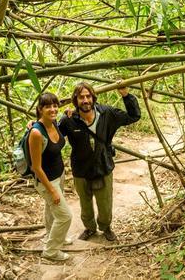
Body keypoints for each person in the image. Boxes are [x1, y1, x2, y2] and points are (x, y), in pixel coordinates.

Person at [58, 82, 141, 241]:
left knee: (105, 203)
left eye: (88, 96)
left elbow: (134, 116)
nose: (85, 100)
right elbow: (52, 134)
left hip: (103, 165)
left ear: (93, 97)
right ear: (75, 100)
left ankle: (106, 227)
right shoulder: (69, 119)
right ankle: (89, 228)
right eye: (81, 97)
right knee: (85, 203)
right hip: (80, 169)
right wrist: (34, 125)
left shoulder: (107, 113)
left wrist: (126, 95)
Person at [29, 92, 72, 261]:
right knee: (65, 216)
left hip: (58, 174)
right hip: (46, 180)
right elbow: (36, 167)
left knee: (50, 209)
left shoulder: (54, 124)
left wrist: (70, 113)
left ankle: (51, 236)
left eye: (55, 105)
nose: (53, 109)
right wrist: (52, 190)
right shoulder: (36, 133)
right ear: (40, 109)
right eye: (48, 106)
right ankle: (51, 252)